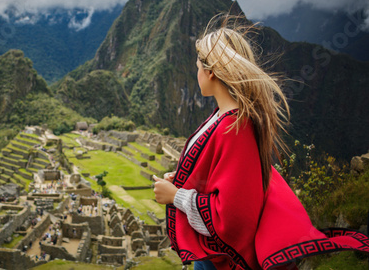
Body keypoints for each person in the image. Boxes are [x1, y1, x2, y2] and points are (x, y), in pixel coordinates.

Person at [153, 14, 369, 270]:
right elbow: (217, 173)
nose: (196, 70)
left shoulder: (236, 128)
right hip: (208, 255)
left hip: (220, 261)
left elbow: (232, 219)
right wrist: (181, 178)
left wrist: (176, 196)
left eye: (198, 64)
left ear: (210, 72)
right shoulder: (222, 117)